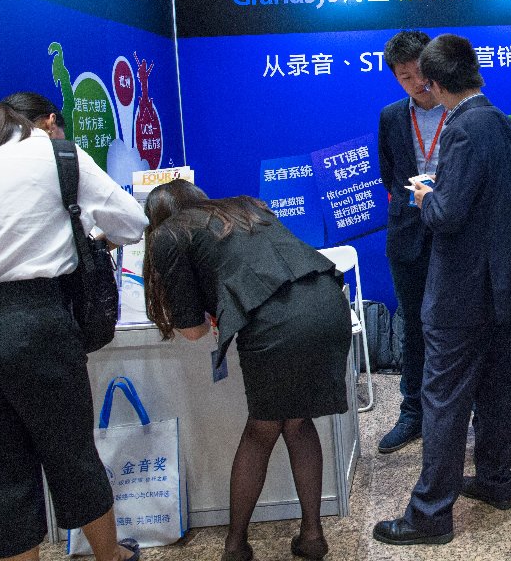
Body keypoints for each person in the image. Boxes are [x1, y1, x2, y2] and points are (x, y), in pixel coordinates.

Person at [372, 34, 511, 546]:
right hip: (499, 285)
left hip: (461, 290)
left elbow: (447, 215)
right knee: (496, 385)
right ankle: (495, 481)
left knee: (442, 397)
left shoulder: (462, 131)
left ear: (437, 82)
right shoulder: (507, 125)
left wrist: (426, 196)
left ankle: (429, 515)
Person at [0, 101, 148, 561]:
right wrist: (85, 237)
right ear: (46, 123)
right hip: (39, 324)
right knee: (72, 453)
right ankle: (111, 556)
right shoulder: (58, 155)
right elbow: (133, 222)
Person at [142, 180, 353, 561]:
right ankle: (312, 536)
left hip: (277, 323)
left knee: (260, 432)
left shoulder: (168, 235)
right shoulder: (244, 207)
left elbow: (193, 332)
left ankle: (235, 546)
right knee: (297, 423)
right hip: (328, 302)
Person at [376, 29, 441, 454]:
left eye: (421, 72)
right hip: (407, 235)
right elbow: (390, 175)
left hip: (455, 233)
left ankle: (467, 408)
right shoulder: (391, 117)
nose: (417, 83)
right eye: (405, 77)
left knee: (460, 327)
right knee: (413, 327)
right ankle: (412, 412)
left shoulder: (460, 110)